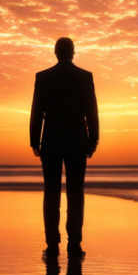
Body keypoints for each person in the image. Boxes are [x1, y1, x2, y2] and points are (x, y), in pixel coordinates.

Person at [29, 36, 98, 254]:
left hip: (51, 139)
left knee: (51, 193)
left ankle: (52, 244)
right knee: (76, 193)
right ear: (73, 52)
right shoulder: (84, 77)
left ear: (56, 52)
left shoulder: (43, 78)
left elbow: (36, 112)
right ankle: (75, 243)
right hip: (77, 139)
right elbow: (91, 111)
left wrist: (34, 140)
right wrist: (93, 138)